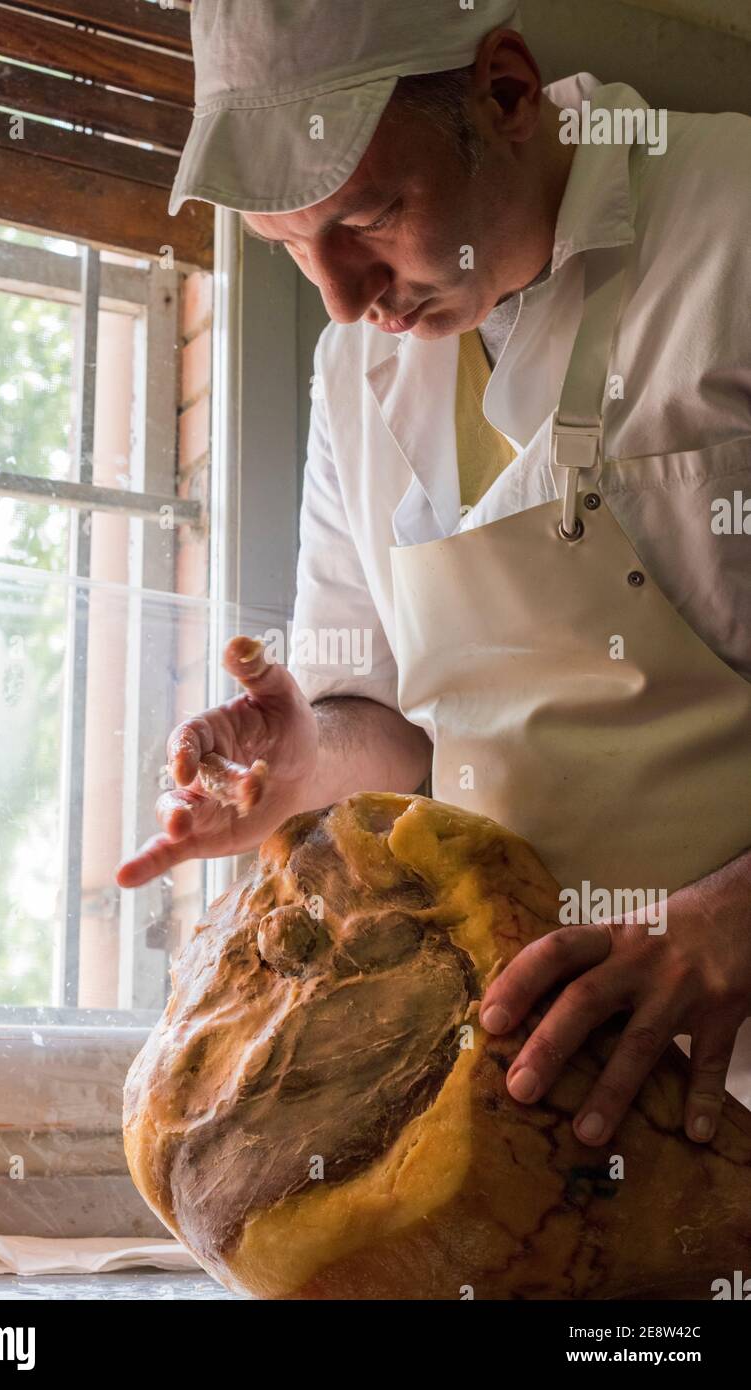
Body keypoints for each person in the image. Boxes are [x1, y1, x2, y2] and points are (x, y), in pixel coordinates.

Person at [118, 0, 751, 1149]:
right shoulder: (354, 365)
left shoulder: (736, 226)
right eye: (290, 250)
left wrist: (736, 920)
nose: (345, 300)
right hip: (542, 1121)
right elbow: (400, 728)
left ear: (504, 91)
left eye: (370, 219)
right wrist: (307, 751)